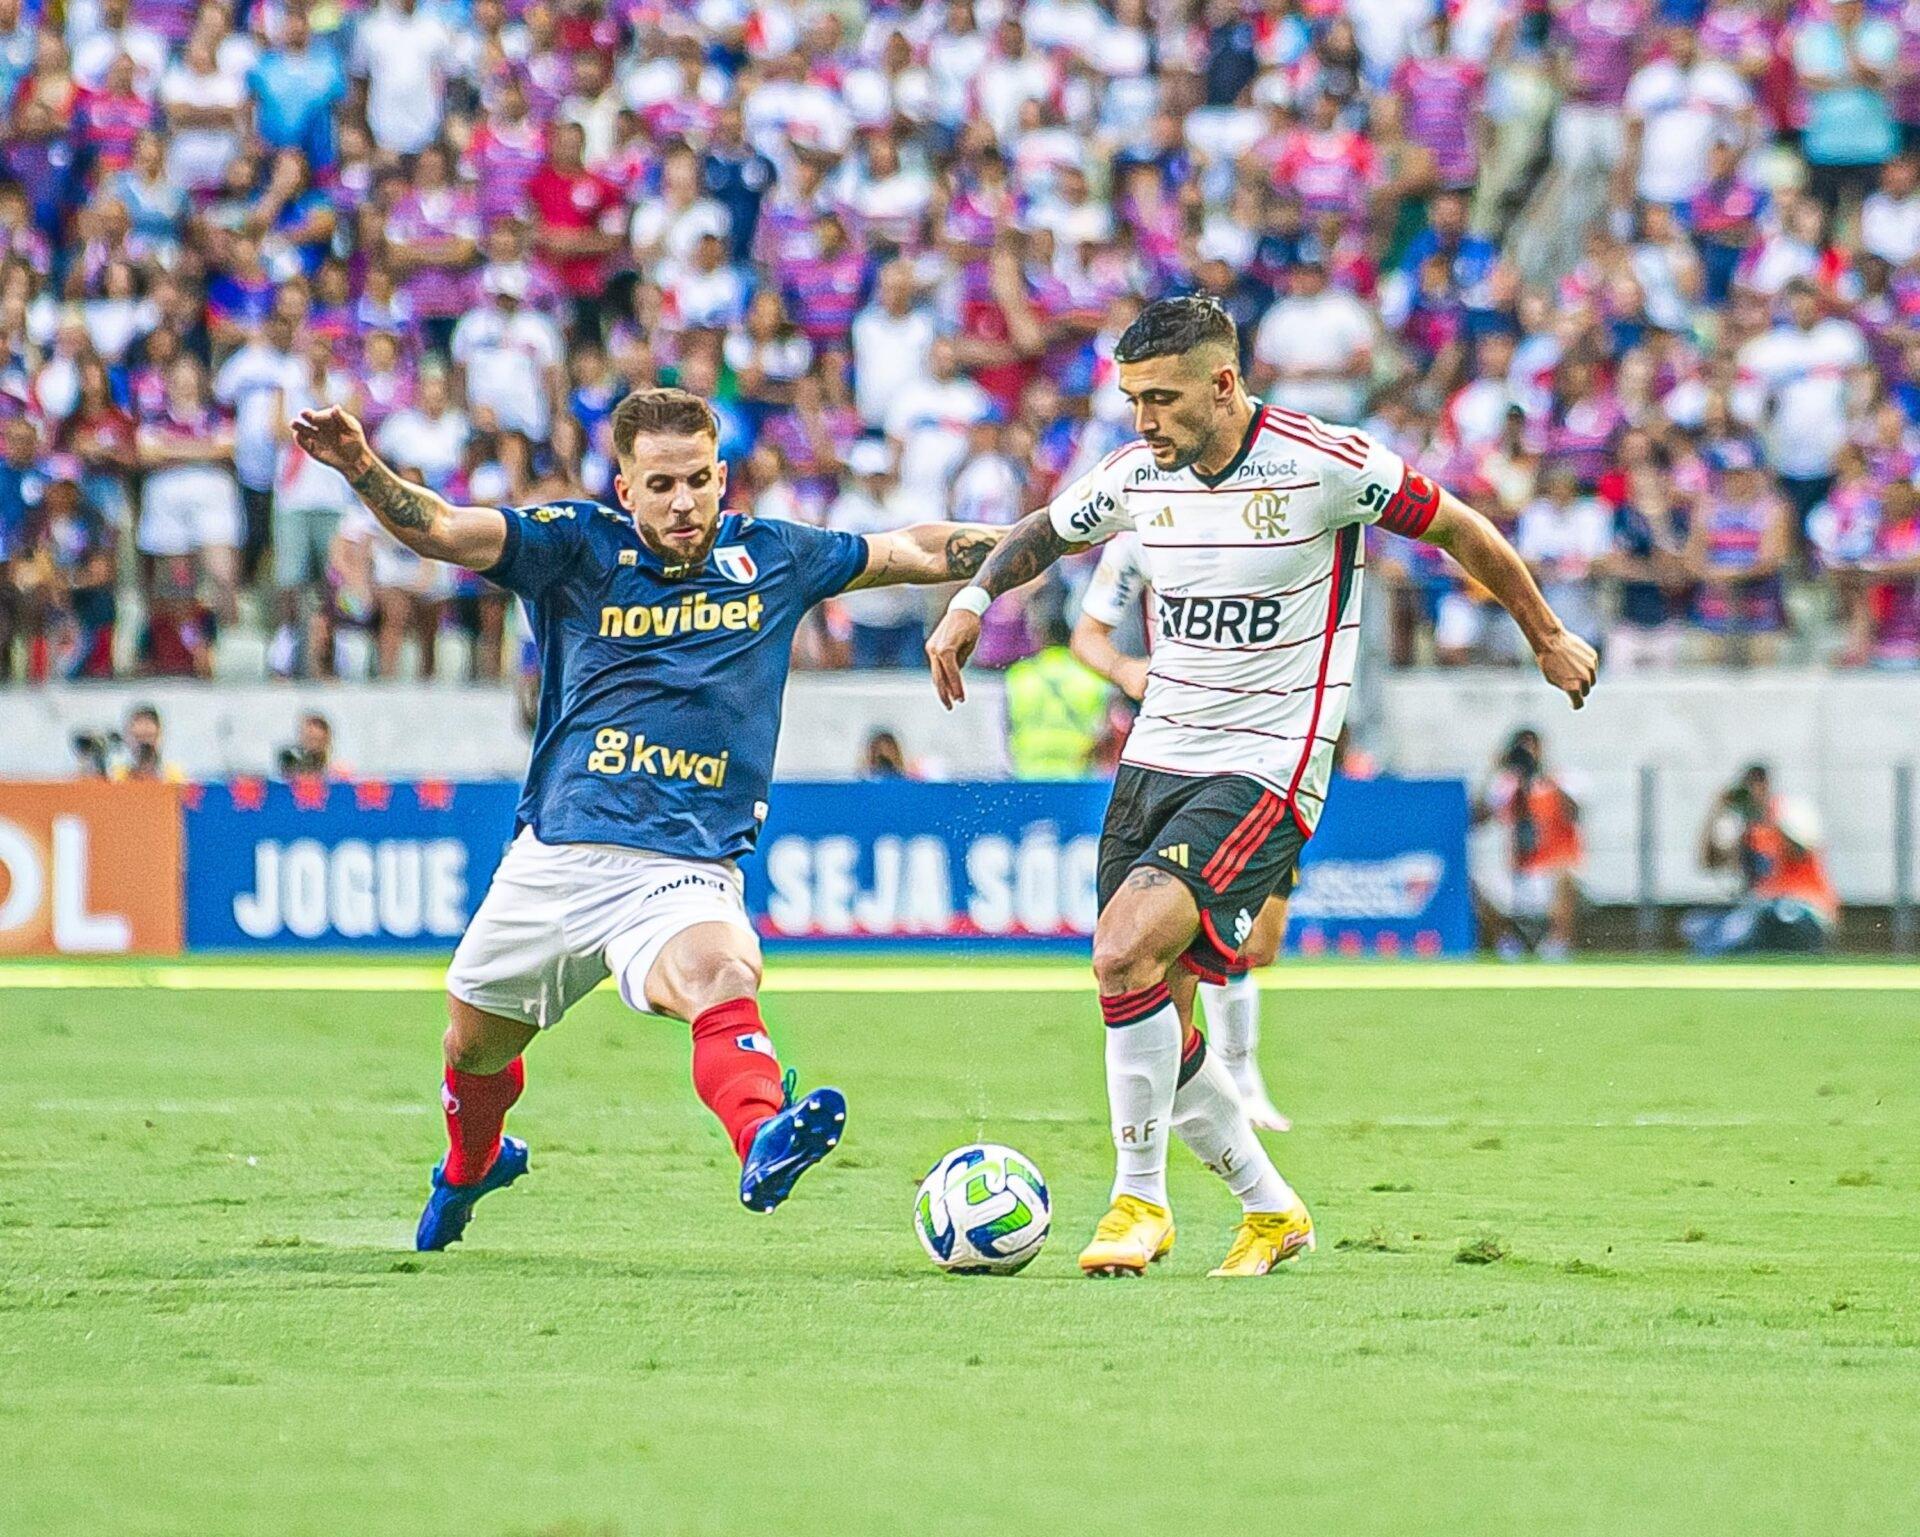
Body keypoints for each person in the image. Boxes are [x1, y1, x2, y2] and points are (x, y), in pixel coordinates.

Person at [926, 296, 1596, 1278]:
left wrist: (1545, 634)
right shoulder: (1136, 476)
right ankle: (1270, 1208)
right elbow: (1044, 531)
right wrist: (973, 600)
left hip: (1268, 763)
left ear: (1224, 383)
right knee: (1154, 999)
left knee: (1121, 952)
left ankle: (1136, 1201)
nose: (1144, 420)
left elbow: (1461, 529)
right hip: (1158, 757)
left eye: (1161, 399)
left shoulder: (1324, 463)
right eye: (1132, 400)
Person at [290, 389, 1002, 1251]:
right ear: (625, 488)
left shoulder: (772, 556)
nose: (683, 502)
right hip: (557, 857)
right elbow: (441, 530)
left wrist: (1056, 531)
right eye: (661, 483)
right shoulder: (573, 545)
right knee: (473, 1047)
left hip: (684, 865)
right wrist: (362, 467)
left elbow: (917, 549)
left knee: (721, 972)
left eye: (699, 479)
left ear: (722, 476)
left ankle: (762, 1134)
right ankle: (471, 1161)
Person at [1071, 529, 1292, 1131]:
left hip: (1265, 757)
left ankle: (1221, 1084)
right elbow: (1087, 635)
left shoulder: (1270, 516)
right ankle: (1231, 1086)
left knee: (1260, 945)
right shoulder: (1143, 534)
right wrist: (1125, 669)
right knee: (1169, 952)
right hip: (1176, 758)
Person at [1687, 764, 1839, 954]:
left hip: (1802, 906)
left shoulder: (1791, 812)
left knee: (1775, 917)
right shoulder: (1746, 830)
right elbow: (1710, 862)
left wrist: (1766, 814)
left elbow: (1800, 849)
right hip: (1761, 910)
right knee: (1700, 927)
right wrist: (1717, 810)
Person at [1472, 728, 1584, 960]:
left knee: (1567, 877)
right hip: (1518, 872)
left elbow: (1574, 813)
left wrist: (1544, 777)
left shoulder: (1559, 779)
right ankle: (1508, 945)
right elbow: (1477, 819)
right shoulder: (1506, 785)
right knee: (1472, 883)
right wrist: (1494, 771)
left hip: (1550, 870)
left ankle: (1556, 946)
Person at [1002, 602, 1109, 777]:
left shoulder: (1019, 675)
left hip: (1027, 775)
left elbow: (1007, 728)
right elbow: (1104, 730)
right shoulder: (1093, 675)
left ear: (1040, 635)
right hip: (1077, 778)